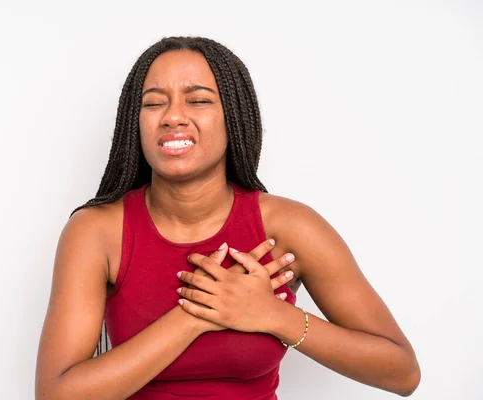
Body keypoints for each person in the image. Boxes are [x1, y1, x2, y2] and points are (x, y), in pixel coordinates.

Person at [35, 36, 420, 399]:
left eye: (198, 101)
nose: (173, 117)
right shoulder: (96, 232)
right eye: (154, 103)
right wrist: (195, 315)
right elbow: (57, 394)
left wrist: (274, 316)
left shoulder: (289, 229)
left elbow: (402, 372)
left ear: (233, 117)